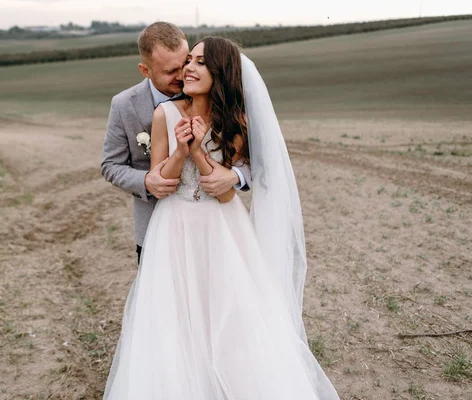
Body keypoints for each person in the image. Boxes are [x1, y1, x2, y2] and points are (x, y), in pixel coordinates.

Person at [103, 36, 340, 399]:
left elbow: (228, 190)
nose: (188, 69)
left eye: (198, 62)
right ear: (147, 69)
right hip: (172, 227)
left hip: (223, 228)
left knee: (230, 313)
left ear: (220, 72)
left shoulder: (235, 120)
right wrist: (181, 151)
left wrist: (198, 150)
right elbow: (155, 174)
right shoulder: (159, 112)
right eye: (186, 63)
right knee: (175, 317)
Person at [101, 22, 251, 264]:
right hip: (158, 226)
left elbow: (253, 157)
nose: (183, 74)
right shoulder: (124, 105)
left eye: (186, 62)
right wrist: (147, 181)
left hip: (216, 224)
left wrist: (235, 176)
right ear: (145, 70)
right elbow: (110, 165)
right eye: (171, 71)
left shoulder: (225, 108)